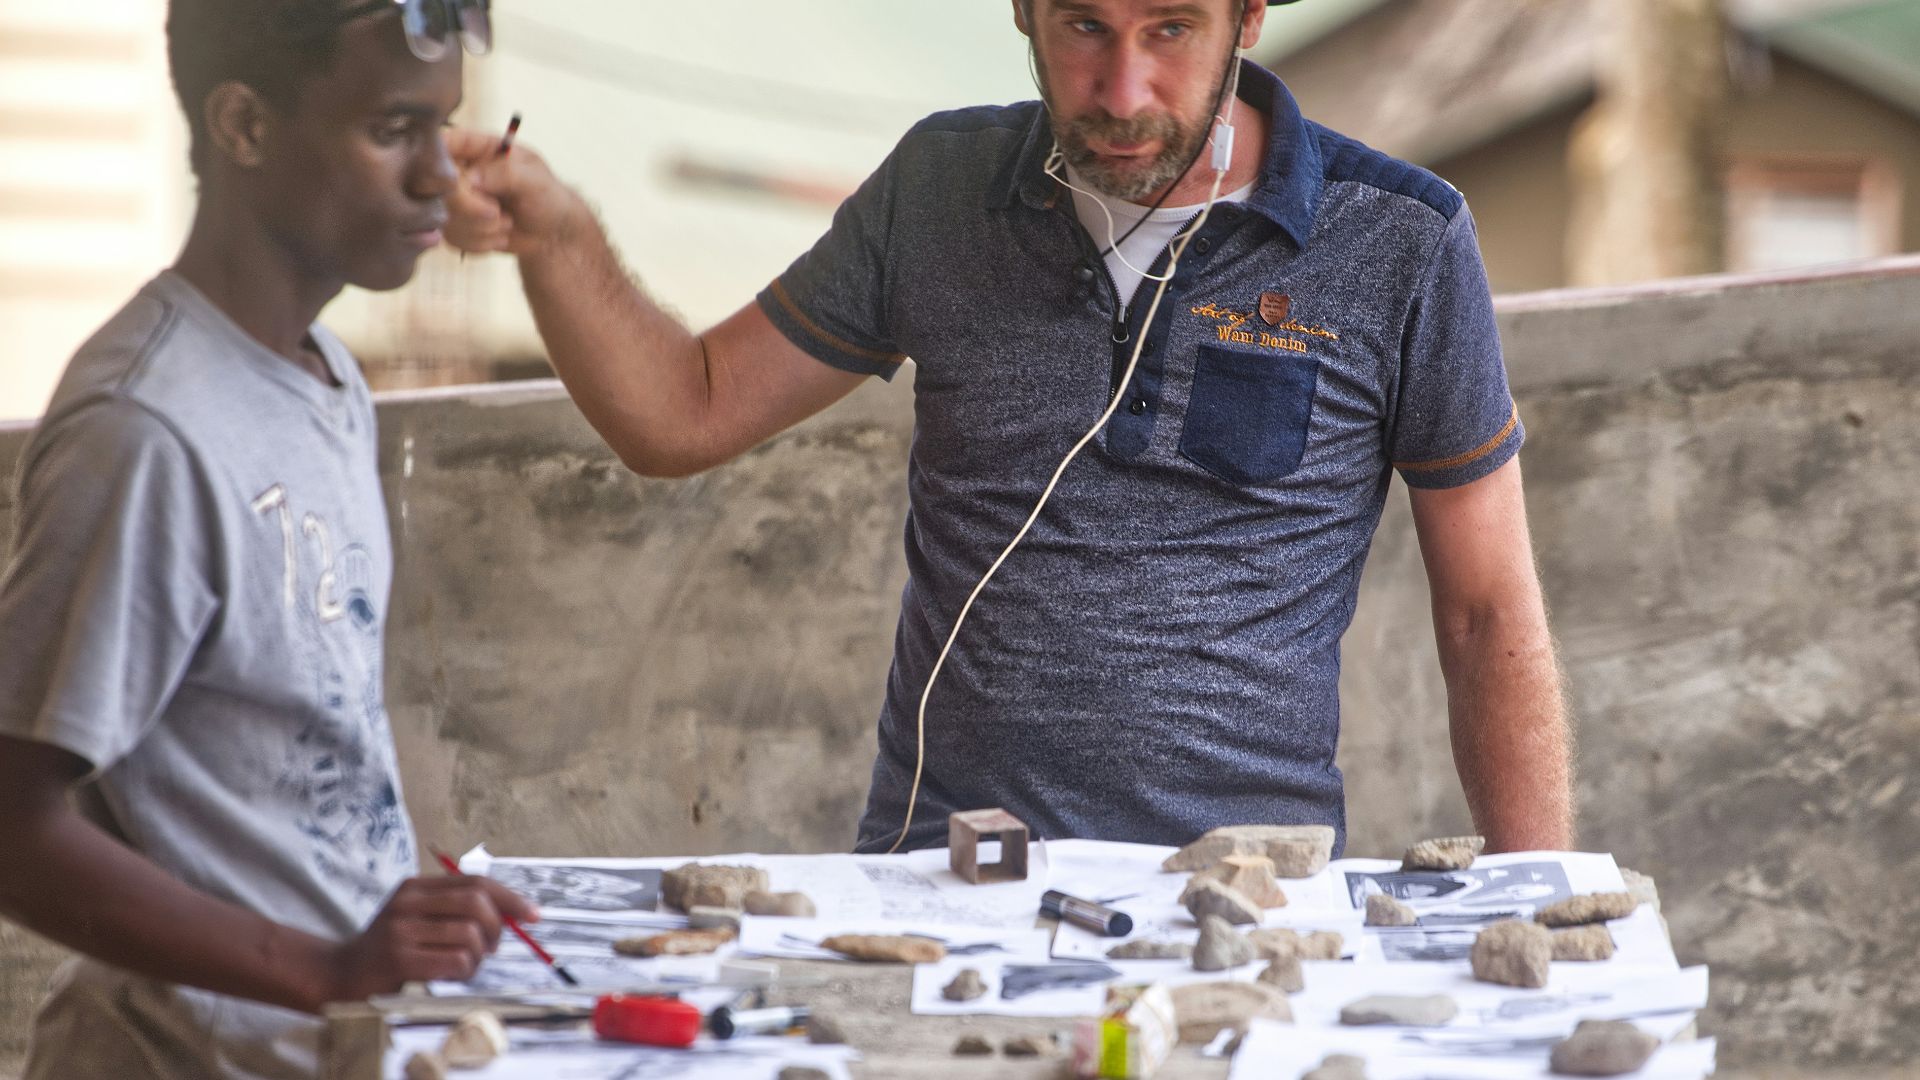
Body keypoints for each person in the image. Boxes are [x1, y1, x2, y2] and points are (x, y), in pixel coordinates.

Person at [444, 0, 1574, 857]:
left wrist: (1546, 911)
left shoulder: (1402, 242)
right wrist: (556, 238)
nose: (1123, 89)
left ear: (1249, 18)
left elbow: (1485, 614)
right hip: (942, 880)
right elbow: (680, 413)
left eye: (1171, 29)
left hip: (1246, 894)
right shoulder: (938, 191)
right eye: (1085, 24)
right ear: (1025, 11)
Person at [0, 2, 534, 1077]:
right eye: (392, 130)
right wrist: (327, 967)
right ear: (242, 125)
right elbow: (11, 823)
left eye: (446, 128)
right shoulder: (147, 431)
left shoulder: (324, 376)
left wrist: (389, 931)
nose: (439, 175)